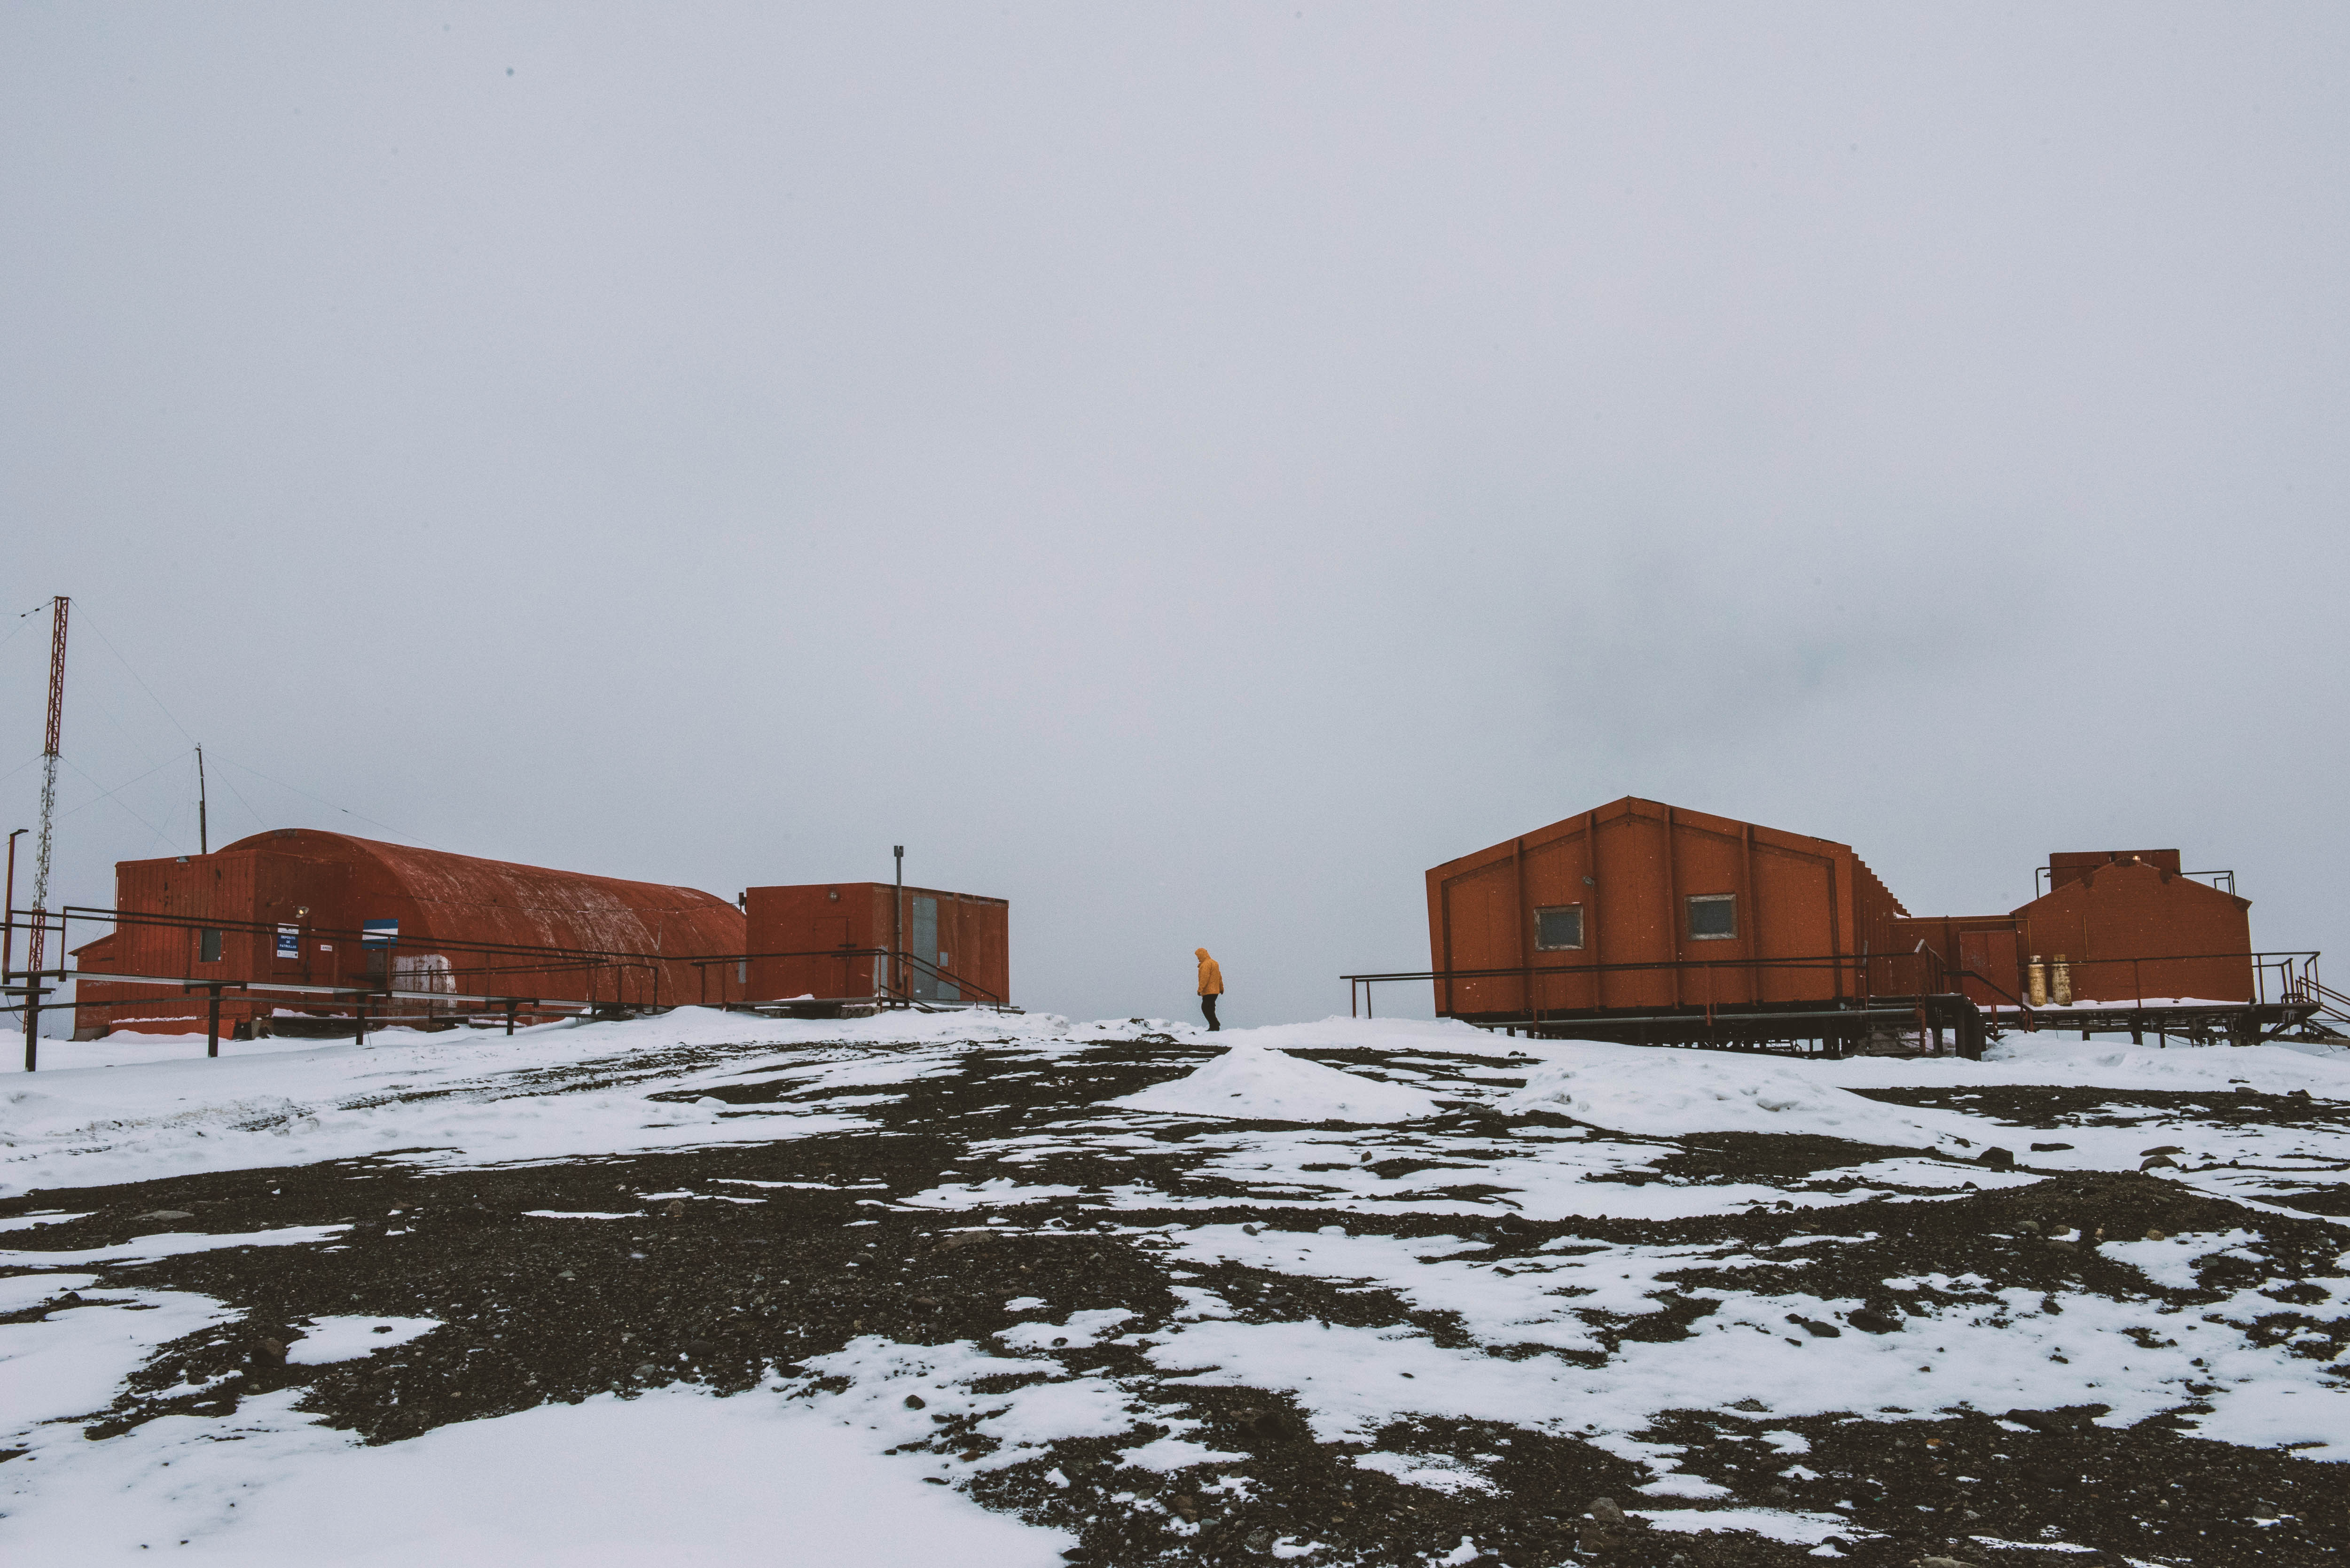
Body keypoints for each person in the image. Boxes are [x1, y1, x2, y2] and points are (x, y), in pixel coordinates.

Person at [1195, 947, 1224, 1031]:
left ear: (1202, 954)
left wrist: (1200, 989)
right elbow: (1219, 977)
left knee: (1206, 1008)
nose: (1198, 958)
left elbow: (1205, 978)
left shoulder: (1206, 965)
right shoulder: (1215, 963)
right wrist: (1221, 988)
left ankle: (1214, 1025)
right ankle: (1214, 1025)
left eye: (1198, 956)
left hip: (1209, 991)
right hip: (1215, 991)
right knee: (1210, 1008)